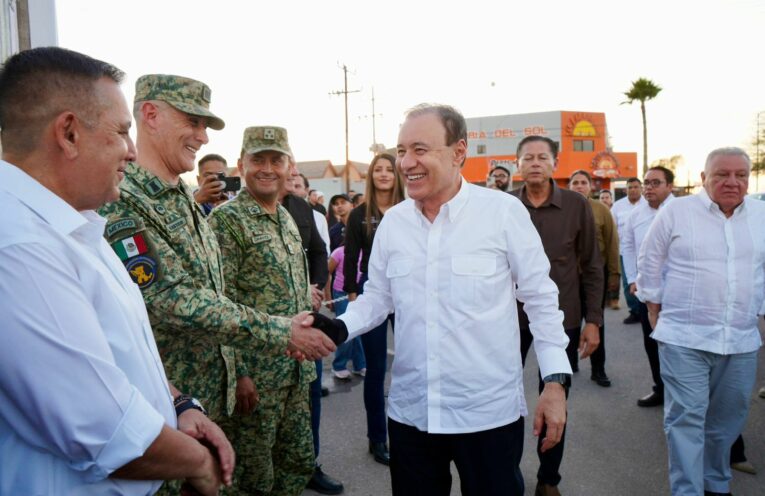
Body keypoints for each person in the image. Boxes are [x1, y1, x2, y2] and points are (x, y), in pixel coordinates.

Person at [0, 46, 234, 496]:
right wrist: (200, 463)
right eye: (122, 132)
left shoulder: (74, 224)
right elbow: (108, 433)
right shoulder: (21, 247)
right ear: (69, 133)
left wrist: (178, 404)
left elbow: (118, 352)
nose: (130, 151)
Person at [312, 104, 571, 496]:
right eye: (401, 151)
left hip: (487, 415)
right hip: (413, 415)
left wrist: (554, 383)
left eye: (420, 149)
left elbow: (540, 299)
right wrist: (338, 327)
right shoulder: (394, 223)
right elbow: (377, 297)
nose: (406, 163)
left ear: (458, 152)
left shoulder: (502, 213)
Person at [98, 74, 335, 427]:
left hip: (213, 401)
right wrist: (283, 332)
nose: (203, 137)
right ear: (150, 115)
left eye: (205, 126)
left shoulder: (184, 199)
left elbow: (218, 294)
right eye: (193, 122)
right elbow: (175, 300)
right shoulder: (124, 201)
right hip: (170, 409)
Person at [636, 147, 764, 495]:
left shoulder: (761, 215)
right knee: (686, 419)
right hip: (684, 337)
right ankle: (688, 491)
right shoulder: (678, 211)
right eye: (722, 174)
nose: (732, 182)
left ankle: (716, 483)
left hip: (740, 340)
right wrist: (652, 300)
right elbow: (650, 256)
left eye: (740, 175)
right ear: (705, 178)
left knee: (728, 421)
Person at [208, 126, 327, 495]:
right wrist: (239, 373)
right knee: (253, 477)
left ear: (289, 166)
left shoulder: (286, 218)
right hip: (257, 379)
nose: (268, 168)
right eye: (258, 159)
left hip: (295, 371)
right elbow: (219, 303)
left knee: (297, 463)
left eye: (276, 160)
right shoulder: (226, 221)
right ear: (241, 165)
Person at [511, 138, 603, 496]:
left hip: (562, 318)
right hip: (509, 319)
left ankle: (548, 479)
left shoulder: (577, 205)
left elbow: (592, 264)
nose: (535, 163)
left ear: (555, 162)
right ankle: (505, 473)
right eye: (528, 158)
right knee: (504, 397)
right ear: (518, 163)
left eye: (542, 157)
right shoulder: (505, 206)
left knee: (555, 398)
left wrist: (593, 320)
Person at [282, 154, 342, 495]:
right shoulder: (231, 216)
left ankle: (310, 464)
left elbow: (319, 252)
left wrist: (316, 287)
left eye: (285, 163)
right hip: (266, 331)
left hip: (306, 318)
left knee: (310, 397)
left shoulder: (303, 209)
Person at [342, 152, 406, 466]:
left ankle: (412, 435)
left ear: (397, 174)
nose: (383, 174)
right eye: (377, 169)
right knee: (376, 369)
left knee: (412, 365)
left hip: (407, 289)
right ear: (371, 176)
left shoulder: (410, 207)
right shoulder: (359, 214)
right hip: (373, 289)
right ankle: (377, 438)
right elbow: (351, 255)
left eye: (389, 169)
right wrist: (352, 293)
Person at [622, 167, 675, 407]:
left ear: (670, 186)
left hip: (678, 292)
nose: (649, 188)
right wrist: (633, 279)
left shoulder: (681, 211)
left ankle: (682, 393)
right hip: (647, 292)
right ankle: (660, 389)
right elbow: (628, 247)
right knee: (652, 342)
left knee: (679, 346)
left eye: (656, 183)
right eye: (647, 183)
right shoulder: (636, 214)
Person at [568, 170, 620, 388]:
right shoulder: (563, 210)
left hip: (595, 277)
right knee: (567, 324)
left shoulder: (601, 210)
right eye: (575, 183)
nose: (579, 186)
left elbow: (612, 243)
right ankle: (569, 364)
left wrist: (614, 275)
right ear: (569, 186)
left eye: (583, 182)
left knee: (596, 323)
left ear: (590, 187)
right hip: (567, 279)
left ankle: (598, 370)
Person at [611, 178, 646, 324]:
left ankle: (647, 311)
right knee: (628, 283)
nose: (633, 190)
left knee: (646, 281)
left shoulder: (648, 204)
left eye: (636, 187)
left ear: (641, 188)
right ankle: (635, 311)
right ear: (625, 190)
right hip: (625, 252)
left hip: (646, 253)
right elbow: (612, 229)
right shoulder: (618, 206)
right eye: (630, 187)